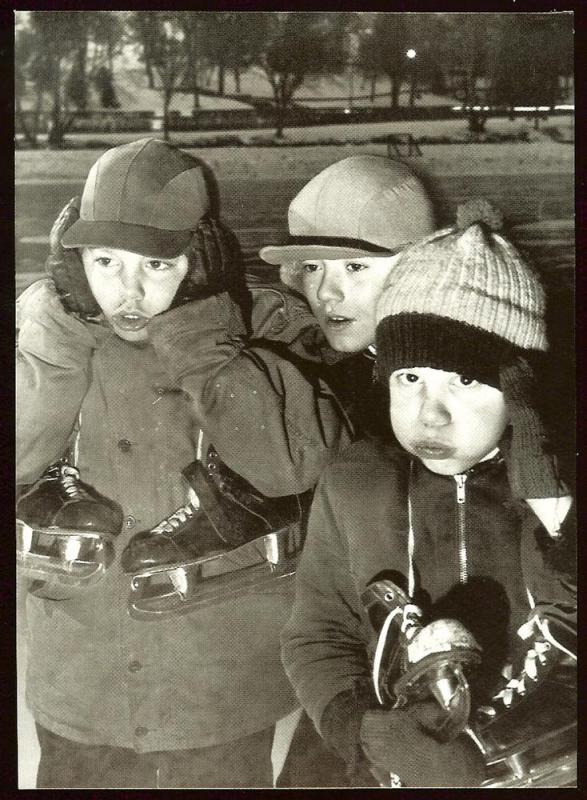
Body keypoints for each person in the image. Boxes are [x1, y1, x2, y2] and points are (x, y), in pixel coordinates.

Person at [120, 154, 436, 786]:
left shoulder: (432, 390)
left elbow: (290, 458)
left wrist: (201, 321)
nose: (328, 291)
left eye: (356, 267)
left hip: (436, 697)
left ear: (424, 265)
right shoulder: (349, 366)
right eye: (312, 267)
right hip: (355, 683)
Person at [16, 137, 318, 788]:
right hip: (82, 694)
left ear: (203, 256)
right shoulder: (50, 332)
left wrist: (204, 337)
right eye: (103, 261)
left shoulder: (262, 326)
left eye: (157, 263)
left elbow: (290, 463)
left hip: (217, 698)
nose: (126, 290)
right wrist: (60, 334)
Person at [280, 200, 576, 787]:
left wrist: (552, 505)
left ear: (518, 393)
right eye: (409, 378)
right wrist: (360, 729)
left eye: (465, 381)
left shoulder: (559, 486)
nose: (430, 414)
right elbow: (319, 634)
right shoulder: (356, 482)